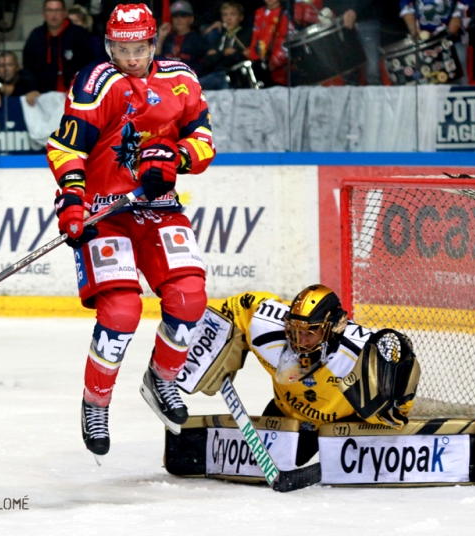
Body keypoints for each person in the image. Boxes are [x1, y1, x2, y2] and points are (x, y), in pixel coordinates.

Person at [46, 3, 215, 462]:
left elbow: (203, 141)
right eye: (122, 49)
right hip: (106, 211)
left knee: (189, 299)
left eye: (139, 48)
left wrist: (175, 159)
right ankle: (96, 404)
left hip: (157, 207)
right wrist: (74, 198)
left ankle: (162, 378)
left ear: (153, 43)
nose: (131, 57)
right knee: (121, 310)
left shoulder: (182, 78)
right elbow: (65, 146)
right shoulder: (96, 83)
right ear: (108, 46)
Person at [216, 285, 418, 466]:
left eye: (310, 333)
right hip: (287, 415)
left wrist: (388, 401)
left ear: (333, 330)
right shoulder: (265, 326)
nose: (299, 342)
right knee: (255, 467)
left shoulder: (360, 353)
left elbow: (396, 411)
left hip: (343, 425)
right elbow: (237, 308)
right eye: (294, 331)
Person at [22, 0, 96, 97]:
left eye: (57, 10)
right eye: (49, 10)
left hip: (76, 93)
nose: (54, 15)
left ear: (65, 12)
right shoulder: (36, 36)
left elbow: (89, 64)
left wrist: (78, 84)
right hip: (44, 96)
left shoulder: (78, 34)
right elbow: (29, 66)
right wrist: (32, 88)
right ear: (43, 13)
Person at [399, 0, 469, 85]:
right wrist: (413, 28)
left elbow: (466, 3)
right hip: (423, 41)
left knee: (458, 76)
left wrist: (457, 17)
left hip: (453, 38)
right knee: (426, 81)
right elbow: (406, 4)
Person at [322, 0, 383, 85]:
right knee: (349, 74)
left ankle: (377, 97)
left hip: (366, 19)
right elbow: (327, 5)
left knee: (372, 72)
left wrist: (354, 10)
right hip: (343, 24)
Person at [199, 2, 252, 89]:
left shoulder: (245, 35)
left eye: (233, 14)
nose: (228, 19)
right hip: (215, 74)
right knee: (192, 88)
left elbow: (237, 58)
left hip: (234, 77)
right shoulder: (220, 36)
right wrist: (224, 53)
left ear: (241, 17)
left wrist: (217, 54)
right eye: (225, 15)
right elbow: (207, 61)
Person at [155, 0, 208, 76]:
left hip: (190, 78)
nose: (179, 19)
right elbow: (156, 59)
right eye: (175, 16)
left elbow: (203, 65)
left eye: (183, 16)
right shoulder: (167, 38)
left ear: (191, 19)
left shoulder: (199, 39)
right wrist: (160, 37)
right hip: (166, 78)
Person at [246, 0, 292, 86]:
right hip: (261, 64)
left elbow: (287, 41)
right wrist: (251, 52)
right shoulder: (258, 12)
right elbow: (255, 36)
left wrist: (276, 60)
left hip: (279, 66)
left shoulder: (285, 14)